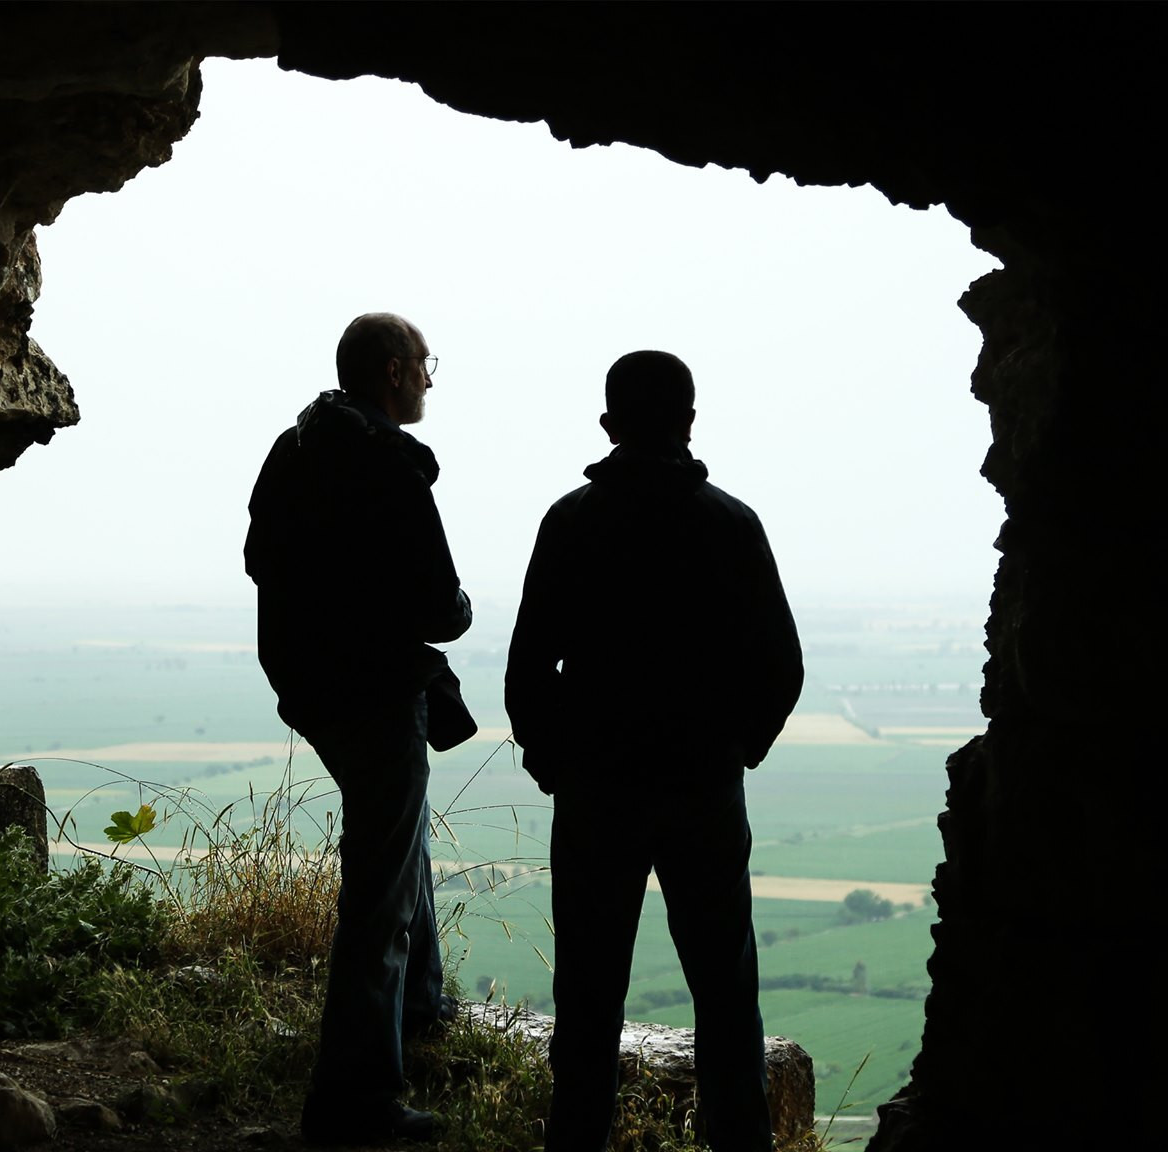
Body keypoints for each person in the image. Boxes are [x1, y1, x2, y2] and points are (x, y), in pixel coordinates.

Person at [504, 350, 802, 1152]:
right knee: (726, 992)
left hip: (597, 788)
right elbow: (782, 667)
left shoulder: (571, 521)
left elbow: (528, 668)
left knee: (590, 992)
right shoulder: (730, 523)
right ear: (690, 420)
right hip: (703, 785)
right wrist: (734, 750)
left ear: (608, 425)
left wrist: (554, 759)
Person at [244, 312, 477, 1146]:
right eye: (423, 363)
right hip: (376, 695)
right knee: (377, 895)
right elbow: (439, 609)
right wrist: (457, 610)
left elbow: (260, 561)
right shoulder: (387, 467)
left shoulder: (294, 449)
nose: (428, 378)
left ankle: (419, 1012)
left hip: (310, 689)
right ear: (391, 371)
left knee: (396, 847)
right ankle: (354, 1098)